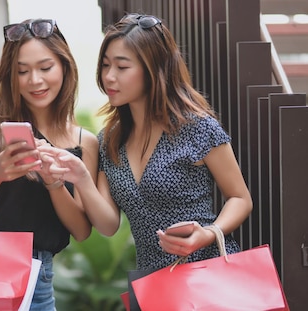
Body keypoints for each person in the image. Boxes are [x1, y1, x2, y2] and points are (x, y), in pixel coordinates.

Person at [38, 13, 253, 272]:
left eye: (122, 67)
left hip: (207, 275)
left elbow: (240, 198)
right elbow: (108, 225)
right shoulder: (110, 140)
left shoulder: (197, 127)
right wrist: (82, 178)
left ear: (153, 69)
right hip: (153, 284)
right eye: (105, 65)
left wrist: (208, 233)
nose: (109, 76)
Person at [0, 18, 98, 310]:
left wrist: (53, 183)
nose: (35, 81)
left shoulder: (84, 141)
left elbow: (81, 231)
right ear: (9, 76)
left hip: (38, 283)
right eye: (22, 71)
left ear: (65, 67)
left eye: (45, 68)